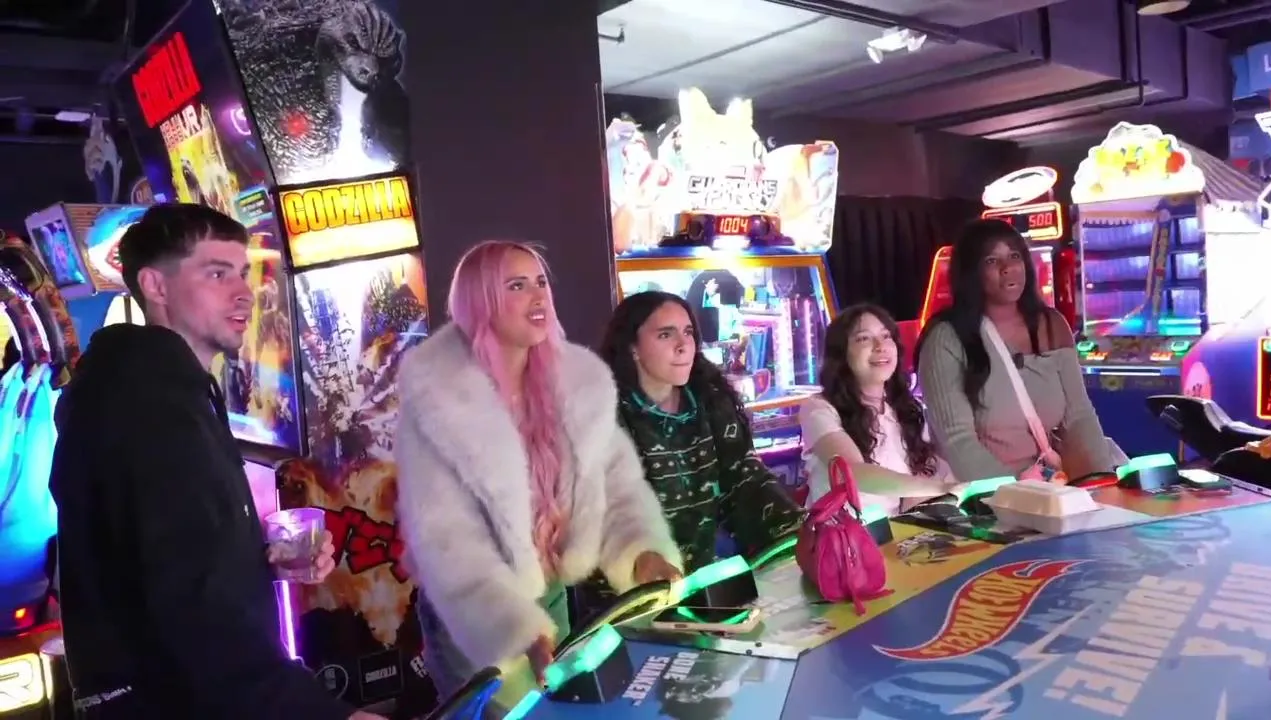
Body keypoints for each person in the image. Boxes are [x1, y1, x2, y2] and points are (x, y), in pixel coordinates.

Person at [49, 204, 376, 719]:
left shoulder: (170, 388)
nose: (244, 292)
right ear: (156, 286)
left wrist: (257, 560)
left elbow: (160, 562)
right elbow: (194, 613)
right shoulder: (146, 404)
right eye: (217, 274)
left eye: (243, 273)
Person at [395, 241, 682, 700]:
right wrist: (518, 630)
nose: (538, 296)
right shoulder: (438, 402)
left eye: (541, 282)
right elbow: (447, 542)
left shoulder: (576, 384)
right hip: (474, 613)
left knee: (554, 709)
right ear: (480, 300)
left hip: (550, 595)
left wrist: (642, 551)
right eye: (516, 285)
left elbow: (615, 486)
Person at [597, 290, 804, 575]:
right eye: (666, 335)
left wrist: (796, 526)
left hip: (702, 576)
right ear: (633, 347)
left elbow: (744, 477)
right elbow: (606, 505)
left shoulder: (709, 398)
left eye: (688, 332)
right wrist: (640, 556)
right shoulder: (604, 413)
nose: (683, 345)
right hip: (634, 581)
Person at [914, 219, 1115, 483]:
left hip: (1052, 487)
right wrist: (1020, 494)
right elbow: (958, 441)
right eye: (991, 260)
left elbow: (1080, 416)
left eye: (1015, 256)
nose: (1007, 268)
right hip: (986, 494)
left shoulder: (1051, 324)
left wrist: (1100, 480)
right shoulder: (946, 339)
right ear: (971, 272)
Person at [799, 303, 953, 511]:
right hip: (845, 530)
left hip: (900, 529)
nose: (880, 346)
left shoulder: (908, 409)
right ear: (842, 353)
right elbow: (852, 472)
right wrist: (939, 488)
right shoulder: (819, 409)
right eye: (864, 338)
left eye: (886, 336)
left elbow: (929, 473)